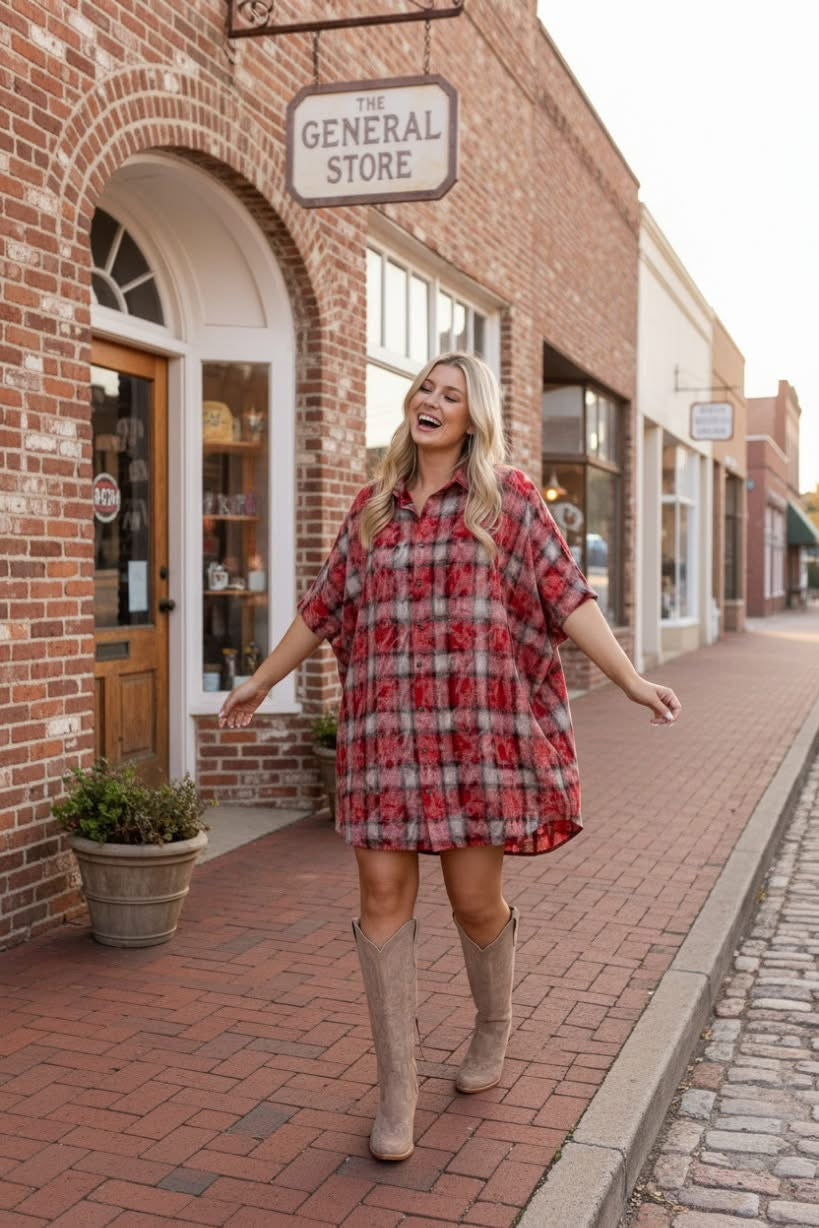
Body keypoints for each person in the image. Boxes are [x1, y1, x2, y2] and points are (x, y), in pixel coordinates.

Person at [218, 352, 681, 1162]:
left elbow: (570, 600)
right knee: (381, 894)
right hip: (384, 735)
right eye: (425, 389)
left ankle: (490, 1026)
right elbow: (323, 607)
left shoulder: (509, 502)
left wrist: (632, 680)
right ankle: (397, 1089)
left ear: (474, 416)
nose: (430, 402)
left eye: (450, 395)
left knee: (474, 902)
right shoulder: (370, 510)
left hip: (476, 737)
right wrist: (259, 679)